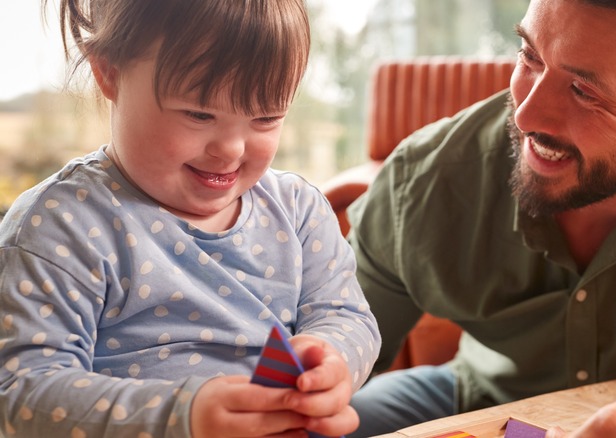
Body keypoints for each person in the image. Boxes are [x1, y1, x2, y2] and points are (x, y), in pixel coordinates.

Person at [346, 0, 616, 436]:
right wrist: (308, 380)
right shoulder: (423, 182)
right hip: (484, 397)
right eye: (530, 56)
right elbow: (335, 340)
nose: (525, 115)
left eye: (584, 92)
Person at [0, 1, 380, 437]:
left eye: (266, 118)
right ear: (109, 73)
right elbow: (20, 394)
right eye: (199, 114)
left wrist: (329, 359)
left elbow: (348, 317)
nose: (232, 149)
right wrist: (182, 417)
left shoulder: (298, 211)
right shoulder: (60, 225)